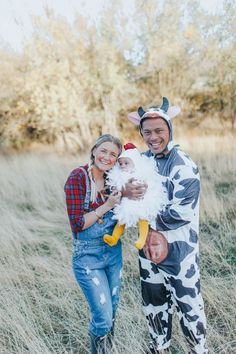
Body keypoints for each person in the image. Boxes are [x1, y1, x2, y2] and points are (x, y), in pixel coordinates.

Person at [125, 97, 209, 354]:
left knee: (188, 306)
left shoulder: (183, 165)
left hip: (179, 253)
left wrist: (141, 213)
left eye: (159, 130)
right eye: (147, 131)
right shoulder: (142, 161)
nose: (153, 137)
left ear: (169, 130)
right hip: (148, 252)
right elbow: (123, 187)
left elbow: (180, 213)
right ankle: (159, 348)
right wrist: (126, 193)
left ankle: (198, 350)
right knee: (154, 304)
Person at [64, 134, 123, 354]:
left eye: (113, 154)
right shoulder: (78, 177)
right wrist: (107, 205)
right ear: (94, 150)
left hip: (113, 255)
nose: (107, 157)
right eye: (104, 151)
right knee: (103, 317)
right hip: (88, 258)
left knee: (112, 312)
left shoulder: (113, 180)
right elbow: (78, 224)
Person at [103, 142, 166, 250]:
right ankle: (114, 238)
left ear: (135, 163)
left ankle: (141, 240)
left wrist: (146, 187)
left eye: (126, 163)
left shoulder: (141, 174)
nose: (122, 166)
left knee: (143, 220)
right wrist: (119, 189)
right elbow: (113, 187)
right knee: (121, 220)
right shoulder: (118, 175)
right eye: (121, 163)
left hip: (140, 204)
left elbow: (150, 184)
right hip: (126, 204)